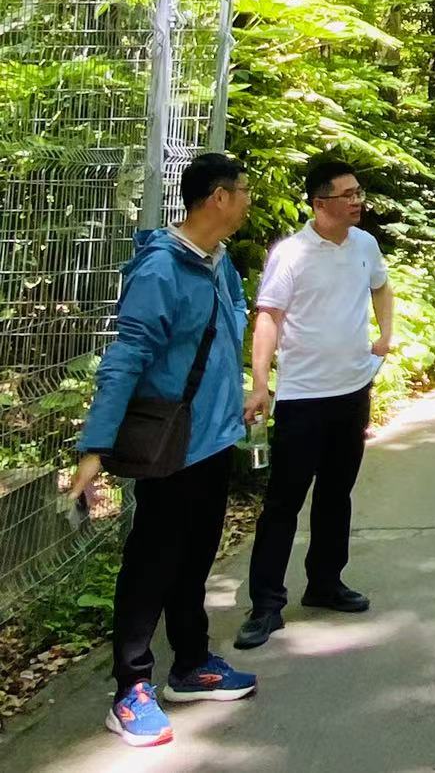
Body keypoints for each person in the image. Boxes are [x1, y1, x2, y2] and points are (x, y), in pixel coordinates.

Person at [66, 152, 258, 749]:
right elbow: (127, 356)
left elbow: (230, 327)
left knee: (196, 555)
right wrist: (95, 446)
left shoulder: (220, 262)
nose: (248, 200)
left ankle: (191, 662)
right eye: (243, 190)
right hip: (172, 445)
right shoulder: (160, 270)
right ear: (218, 197)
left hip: (215, 438)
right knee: (152, 562)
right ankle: (131, 688)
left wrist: (246, 394)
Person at [234, 154, 393, 650]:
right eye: (348, 195)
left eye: (359, 192)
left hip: (353, 390)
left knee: (336, 493)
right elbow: (268, 317)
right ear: (320, 203)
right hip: (303, 396)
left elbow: (382, 287)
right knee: (284, 500)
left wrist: (385, 335)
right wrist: (261, 384)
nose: (358, 201)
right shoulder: (292, 254)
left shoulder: (365, 244)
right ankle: (266, 604)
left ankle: (325, 582)